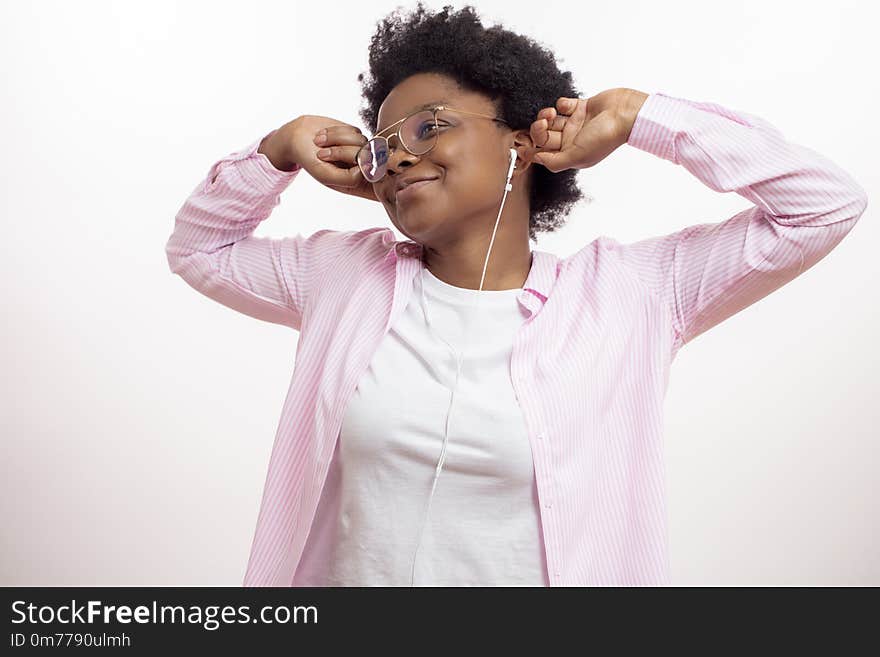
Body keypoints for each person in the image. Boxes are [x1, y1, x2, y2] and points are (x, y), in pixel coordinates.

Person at [165, 3, 868, 586]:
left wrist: (638, 114)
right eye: (381, 147)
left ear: (521, 144)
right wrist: (279, 151)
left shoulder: (634, 296)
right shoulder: (342, 277)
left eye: (430, 126)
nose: (398, 156)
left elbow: (823, 205)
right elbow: (199, 248)